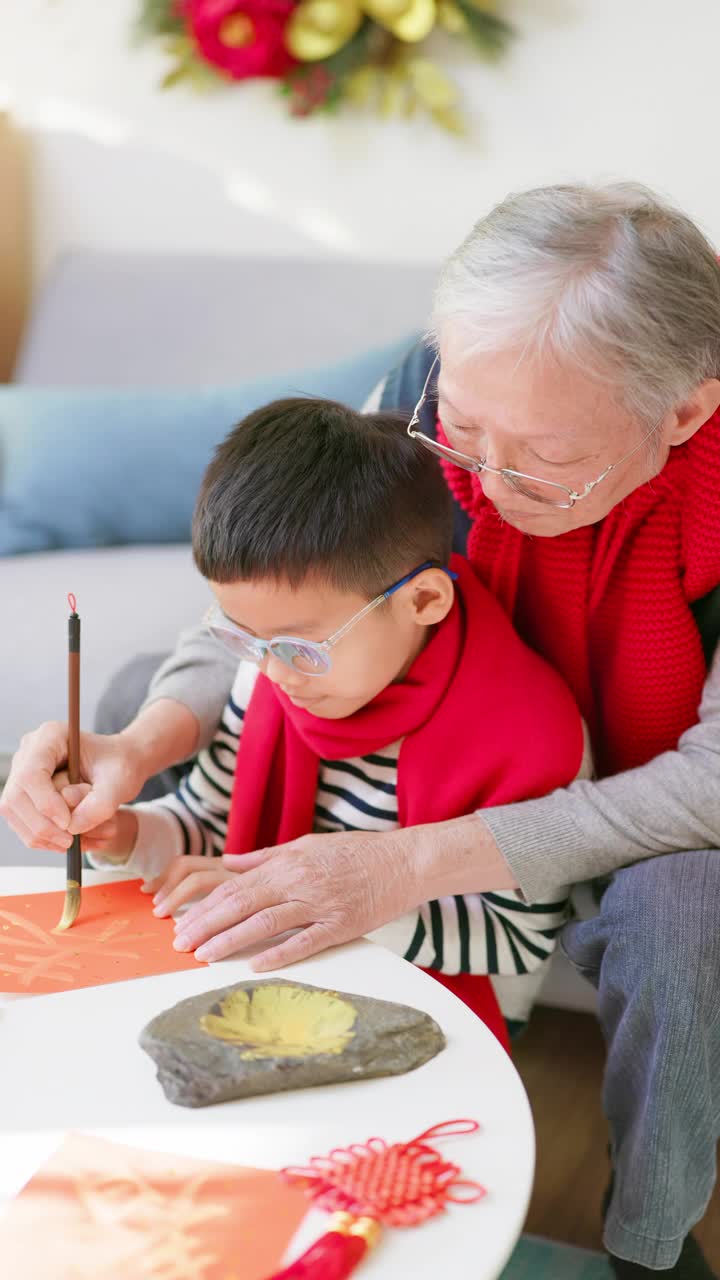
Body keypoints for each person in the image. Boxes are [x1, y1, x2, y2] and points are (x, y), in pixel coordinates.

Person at [4, 182, 720, 1277]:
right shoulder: (433, 399)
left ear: (683, 413)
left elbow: (706, 785)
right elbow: (284, 600)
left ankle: (650, 1240)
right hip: (425, 715)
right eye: (468, 431)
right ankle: (160, 1073)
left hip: (614, 796)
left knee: (684, 913)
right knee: (152, 688)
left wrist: (401, 867)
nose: (480, 478)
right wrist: (139, 748)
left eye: (537, 455)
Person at [56, 396, 588, 1047]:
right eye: (243, 638)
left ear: (422, 600)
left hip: (431, 1014)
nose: (274, 674)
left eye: (299, 648)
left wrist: (323, 912)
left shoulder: (529, 738)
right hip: (278, 970)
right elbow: (208, 821)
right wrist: (127, 832)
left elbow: (515, 939)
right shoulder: (272, 675)